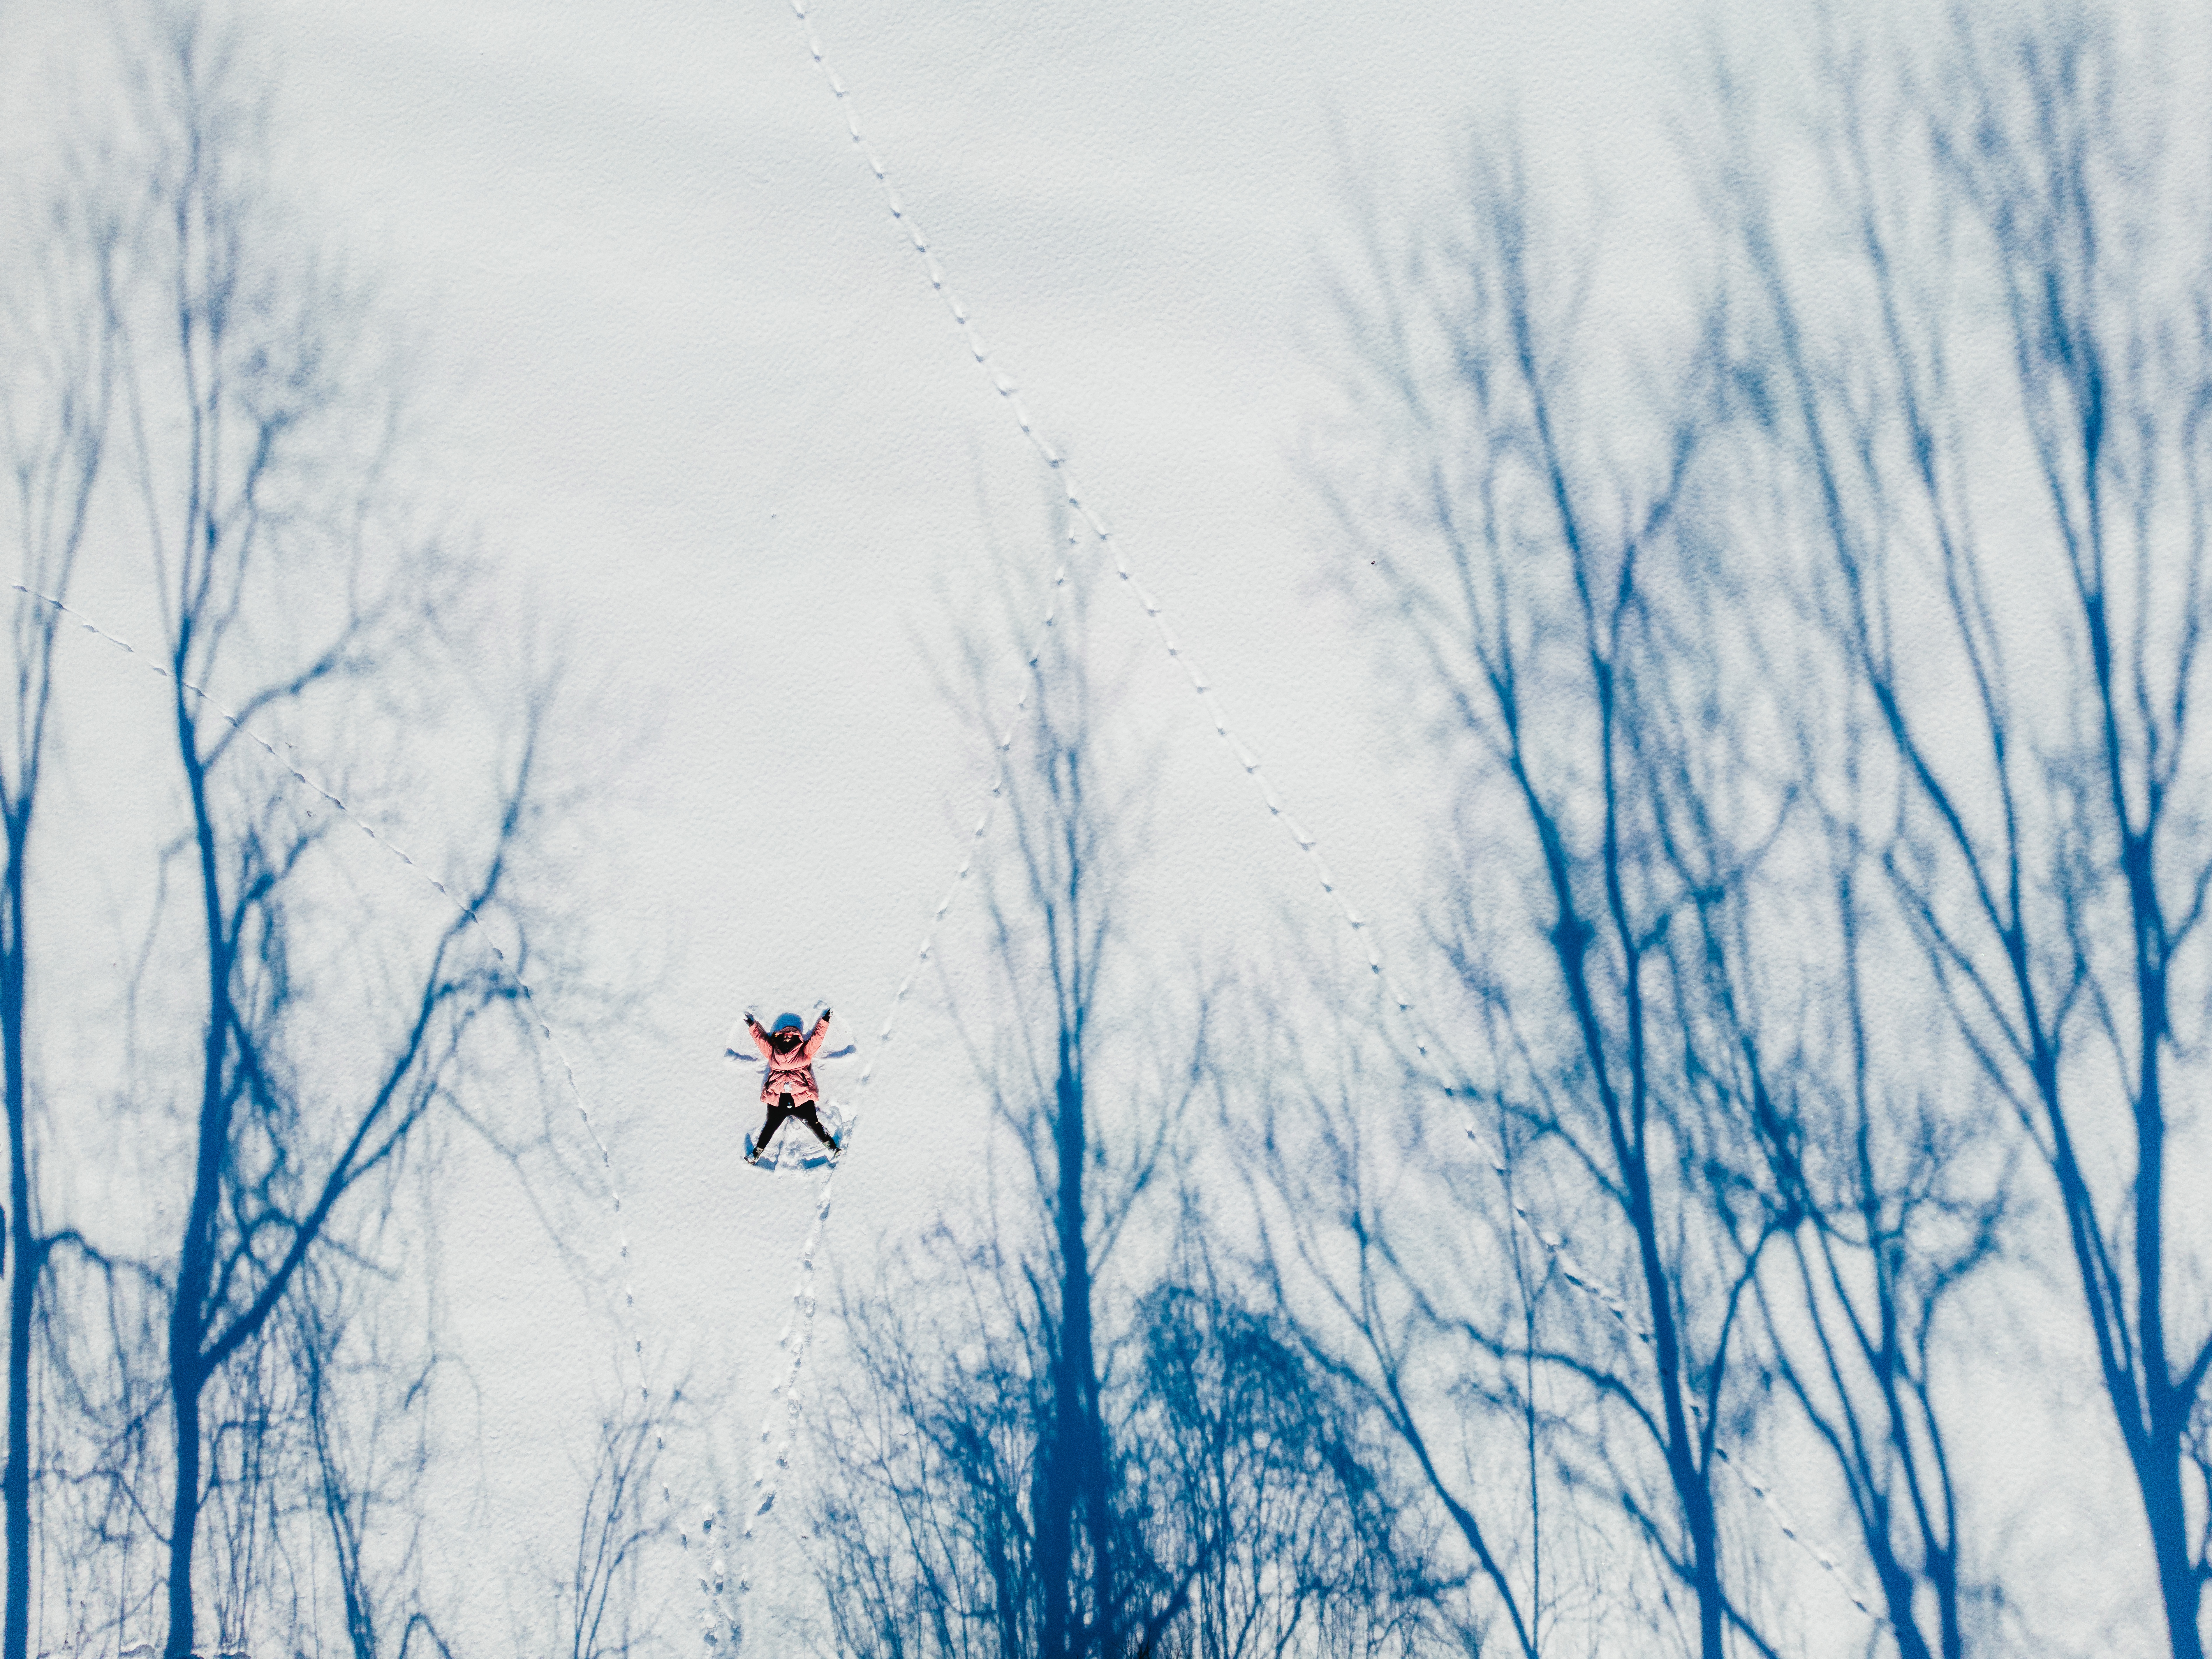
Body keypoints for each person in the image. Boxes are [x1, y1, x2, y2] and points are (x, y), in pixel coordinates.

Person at [744, 1008, 840, 1162]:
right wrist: (753, 1026)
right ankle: (756, 1154)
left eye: (792, 1035)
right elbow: (761, 1041)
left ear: (797, 1038)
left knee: (814, 1123)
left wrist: (825, 1021)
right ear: (780, 1037)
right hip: (778, 1097)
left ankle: (833, 1148)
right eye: (785, 1035)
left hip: (802, 1097)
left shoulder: (804, 1052)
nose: (788, 1037)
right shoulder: (773, 1052)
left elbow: (817, 1039)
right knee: (770, 1126)